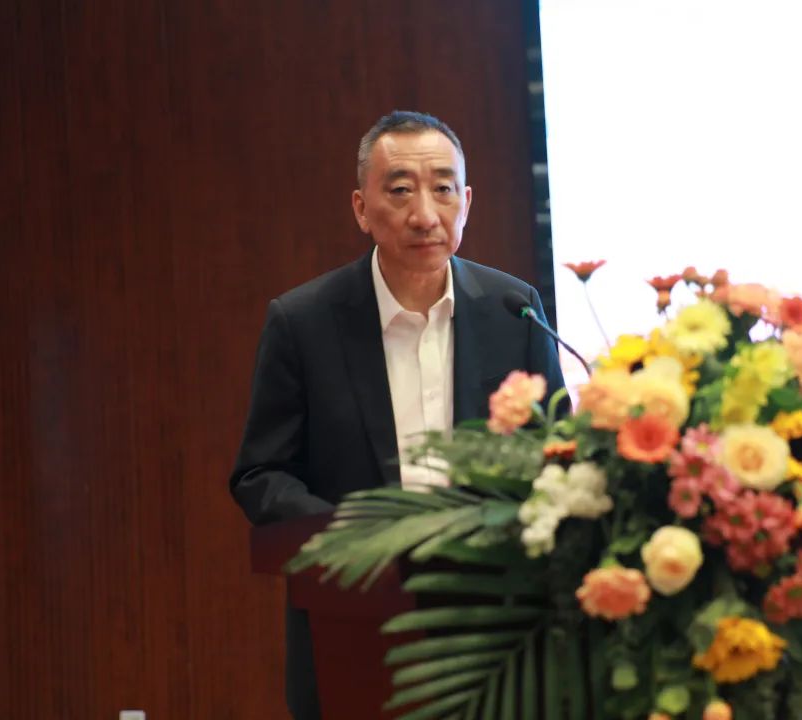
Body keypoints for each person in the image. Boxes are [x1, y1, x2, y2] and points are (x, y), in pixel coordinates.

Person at [229, 110, 566, 720]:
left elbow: (555, 453)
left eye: (443, 188)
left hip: (494, 623)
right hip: (356, 619)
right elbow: (261, 474)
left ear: (467, 203)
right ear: (362, 208)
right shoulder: (303, 323)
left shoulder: (514, 310)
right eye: (401, 190)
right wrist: (359, 539)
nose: (425, 214)